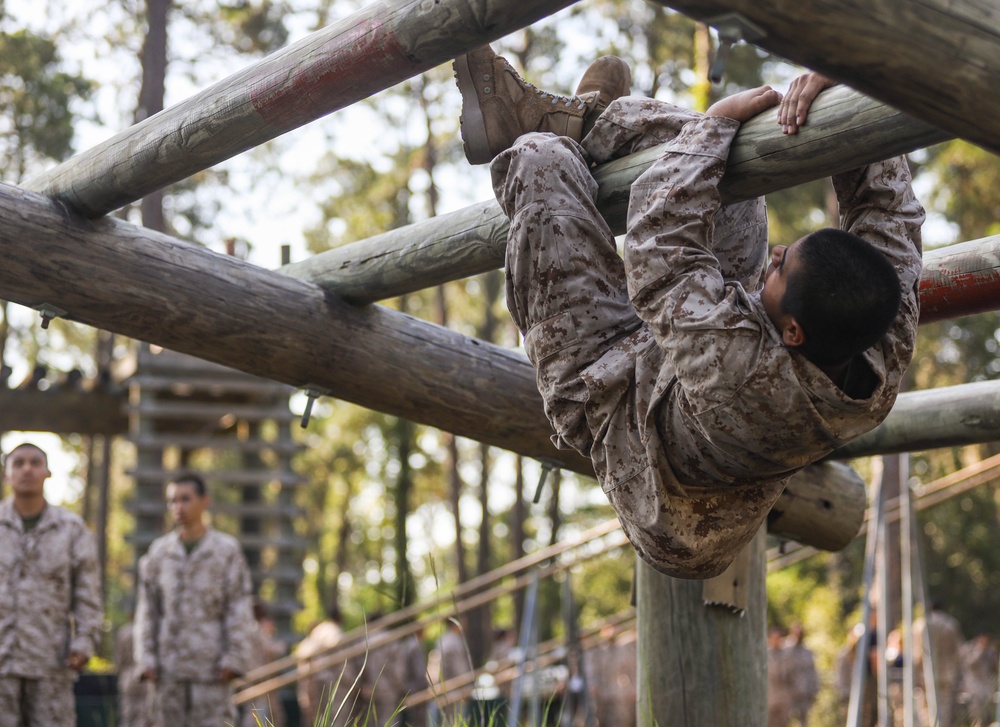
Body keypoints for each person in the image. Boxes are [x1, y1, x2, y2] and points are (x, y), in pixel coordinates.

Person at [453, 46, 923, 578]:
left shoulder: (739, 372)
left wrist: (716, 120)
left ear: (792, 330)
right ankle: (585, 120)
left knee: (542, 161)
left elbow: (659, 248)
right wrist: (834, 82)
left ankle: (563, 127)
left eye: (779, 268)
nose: (774, 254)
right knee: (741, 162)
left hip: (617, 396)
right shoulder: (881, 329)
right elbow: (890, 211)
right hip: (694, 364)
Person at [134, 472, 256, 727]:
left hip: (212, 672)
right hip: (168, 671)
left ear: (204, 501)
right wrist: (145, 658)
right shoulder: (159, 553)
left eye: (185, 499)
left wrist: (234, 658)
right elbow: (148, 610)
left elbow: (239, 607)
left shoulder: (226, 551)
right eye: (172, 501)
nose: (178, 507)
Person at [0, 442, 103, 727]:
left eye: (35, 462)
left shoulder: (71, 530)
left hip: (51, 662)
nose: (27, 469)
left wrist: (84, 641)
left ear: (48, 472)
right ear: (6, 475)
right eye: (18, 463)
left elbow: (88, 594)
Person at [913, 602, 964, 727]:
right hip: (946, 674)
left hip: (924, 674)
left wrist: (915, 674)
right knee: (944, 709)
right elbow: (959, 652)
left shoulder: (920, 625)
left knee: (925, 709)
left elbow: (916, 654)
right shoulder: (951, 624)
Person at [784, 623, 819, 726]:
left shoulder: (807, 651)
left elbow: (812, 672)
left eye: (799, 633)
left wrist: (814, 690)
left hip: (804, 693)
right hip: (789, 694)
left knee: (803, 722)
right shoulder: (785, 649)